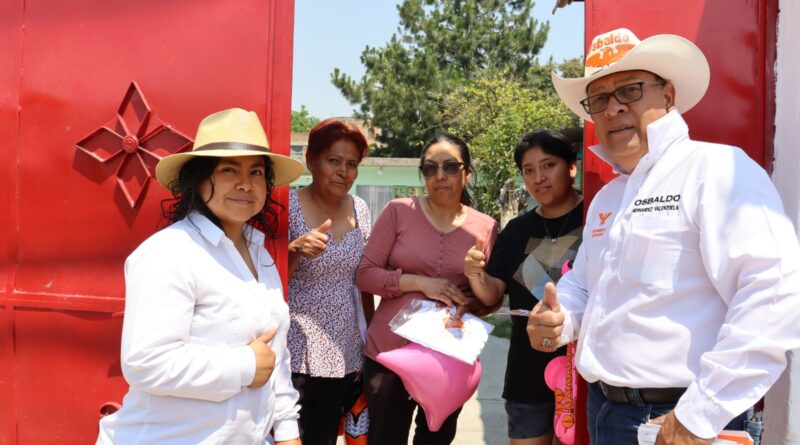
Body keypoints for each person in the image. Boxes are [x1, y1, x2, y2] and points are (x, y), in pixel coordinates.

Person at [526, 28, 800, 444]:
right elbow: (584, 285)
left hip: (679, 418)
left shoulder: (717, 170)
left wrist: (699, 415)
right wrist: (559, 319)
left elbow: (774, 293)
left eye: (629, 90)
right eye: (598, 99)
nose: (613, 108)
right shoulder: (609, 198)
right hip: (604, 409)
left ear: (668, 95)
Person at [96, 108, 304, 445]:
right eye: (228, 169)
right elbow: (145, 362)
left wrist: (287, 431)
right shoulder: (170, 252)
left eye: (256, 172)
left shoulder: (260, 254)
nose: (245, 183)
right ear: (198, 179)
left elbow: (274, 354)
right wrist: (244, 366)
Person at [355, 134, 498, 445]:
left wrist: (470, 300)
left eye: (450, 167)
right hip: (389, 352)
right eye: (430, 168)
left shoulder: (484, 227)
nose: (440, 176)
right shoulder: (398, 211)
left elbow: (489, 299)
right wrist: (420, 283)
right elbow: (364, 275)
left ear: (467, 174)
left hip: (448, 358)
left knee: (436, 439)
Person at [464, 130, 583, 445]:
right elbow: (493, 292)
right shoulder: (516, 231)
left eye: (548, 165)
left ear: (572, 167)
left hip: (584, 373)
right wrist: (476, 274)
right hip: (528, 372)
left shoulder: (595, 219)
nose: (538, 177)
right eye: (528, 170)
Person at [286, 118, 373, 445]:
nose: (343, 172)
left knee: (324, 437)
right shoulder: (288, 205)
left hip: (345, 350)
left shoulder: (360, 209)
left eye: (352, 164)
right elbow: (265, 276)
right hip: (296, 349)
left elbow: (364, 280)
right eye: (333, 160)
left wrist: (371, 340)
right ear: (311, 160)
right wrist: (295, 249)